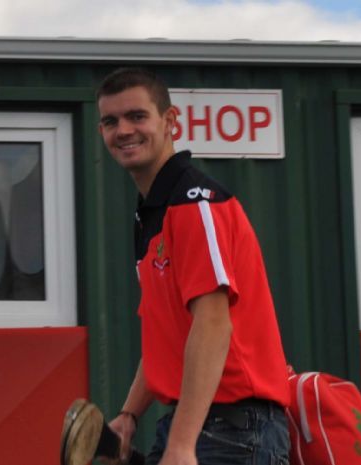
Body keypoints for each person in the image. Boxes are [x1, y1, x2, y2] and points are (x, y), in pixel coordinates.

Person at [97, 67, 291, 465]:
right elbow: (168, 335)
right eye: (111, 121)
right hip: (202, 426)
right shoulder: (152, 215)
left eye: (137, 116)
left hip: (234, 430)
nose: (124, 130)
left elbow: (213, 324)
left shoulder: (195, 204)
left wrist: (182, 445)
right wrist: (129, 416)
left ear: (170, 121)